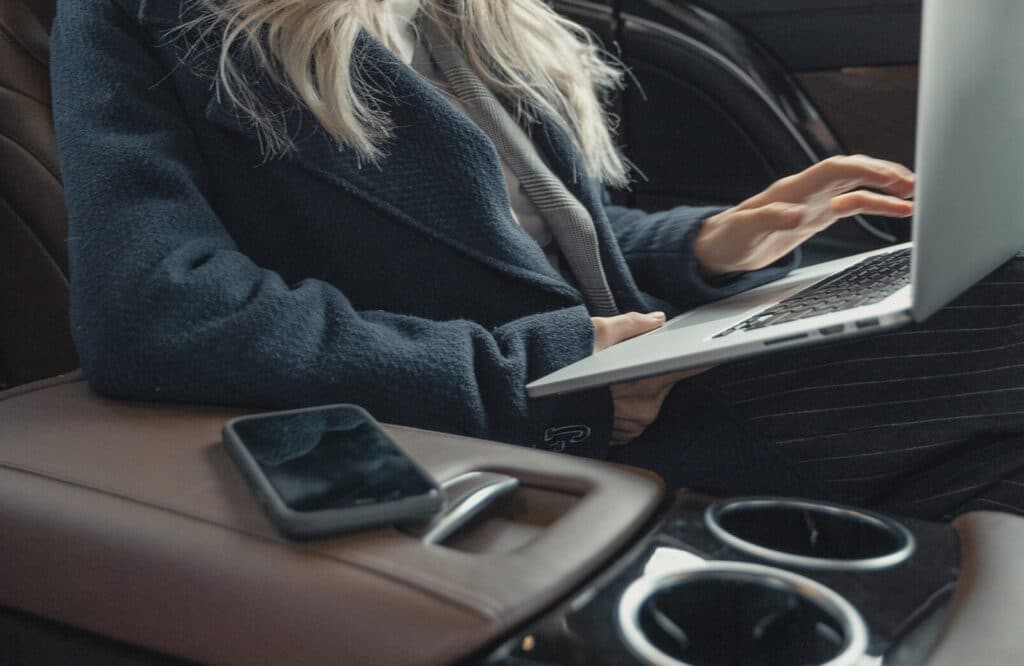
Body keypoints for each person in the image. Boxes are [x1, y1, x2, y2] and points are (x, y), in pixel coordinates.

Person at [51, 0, 1024, 520]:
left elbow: (538, 250)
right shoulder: (151, 12)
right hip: (535, 423)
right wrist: (538, 376)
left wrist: (711, 242)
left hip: (647, 363)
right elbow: (158, 309)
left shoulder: (470, 17)